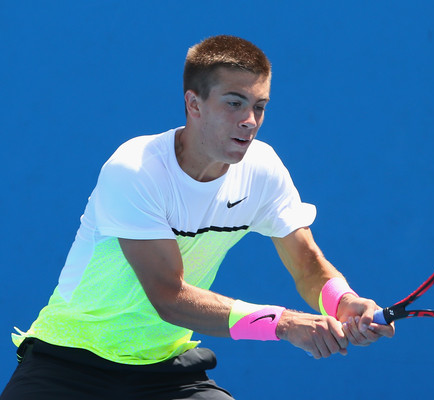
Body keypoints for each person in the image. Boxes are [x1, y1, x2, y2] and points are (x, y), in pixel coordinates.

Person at [1, 35, 394, 399]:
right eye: (235, 103)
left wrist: (343, 301)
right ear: (194, 104)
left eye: (259, 106)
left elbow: (307, 264)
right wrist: (284, 323)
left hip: (164, 369)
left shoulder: (263, 170)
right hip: (67, 362)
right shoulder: (136, 170)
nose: (250, 120)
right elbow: (169, 297)